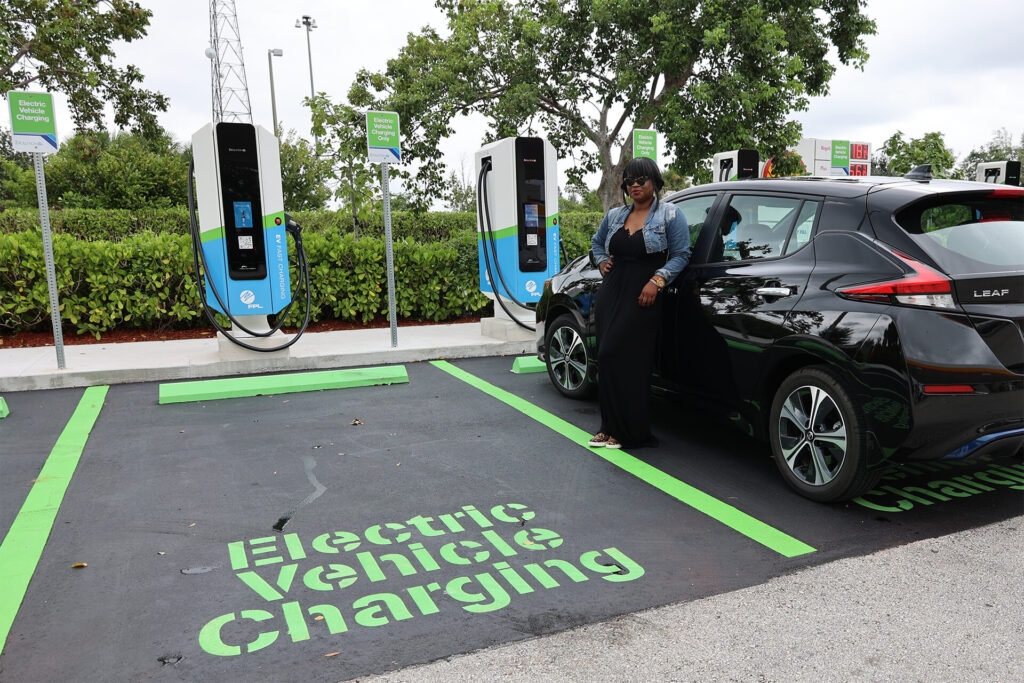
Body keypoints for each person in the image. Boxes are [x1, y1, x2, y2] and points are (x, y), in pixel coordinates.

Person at [587, 157, 691, 449]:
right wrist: (602, 261)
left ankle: (629, 431)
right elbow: (596, 243)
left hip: (643, 293)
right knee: (606, 361)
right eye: (629, 181)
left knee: (625, 360)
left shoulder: (671, 215)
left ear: (654, 182)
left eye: (640, 180)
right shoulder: (615, 216)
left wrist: (657, 281)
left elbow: (682, 254)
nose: (634, 186)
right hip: (612, 291)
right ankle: (608, 427)